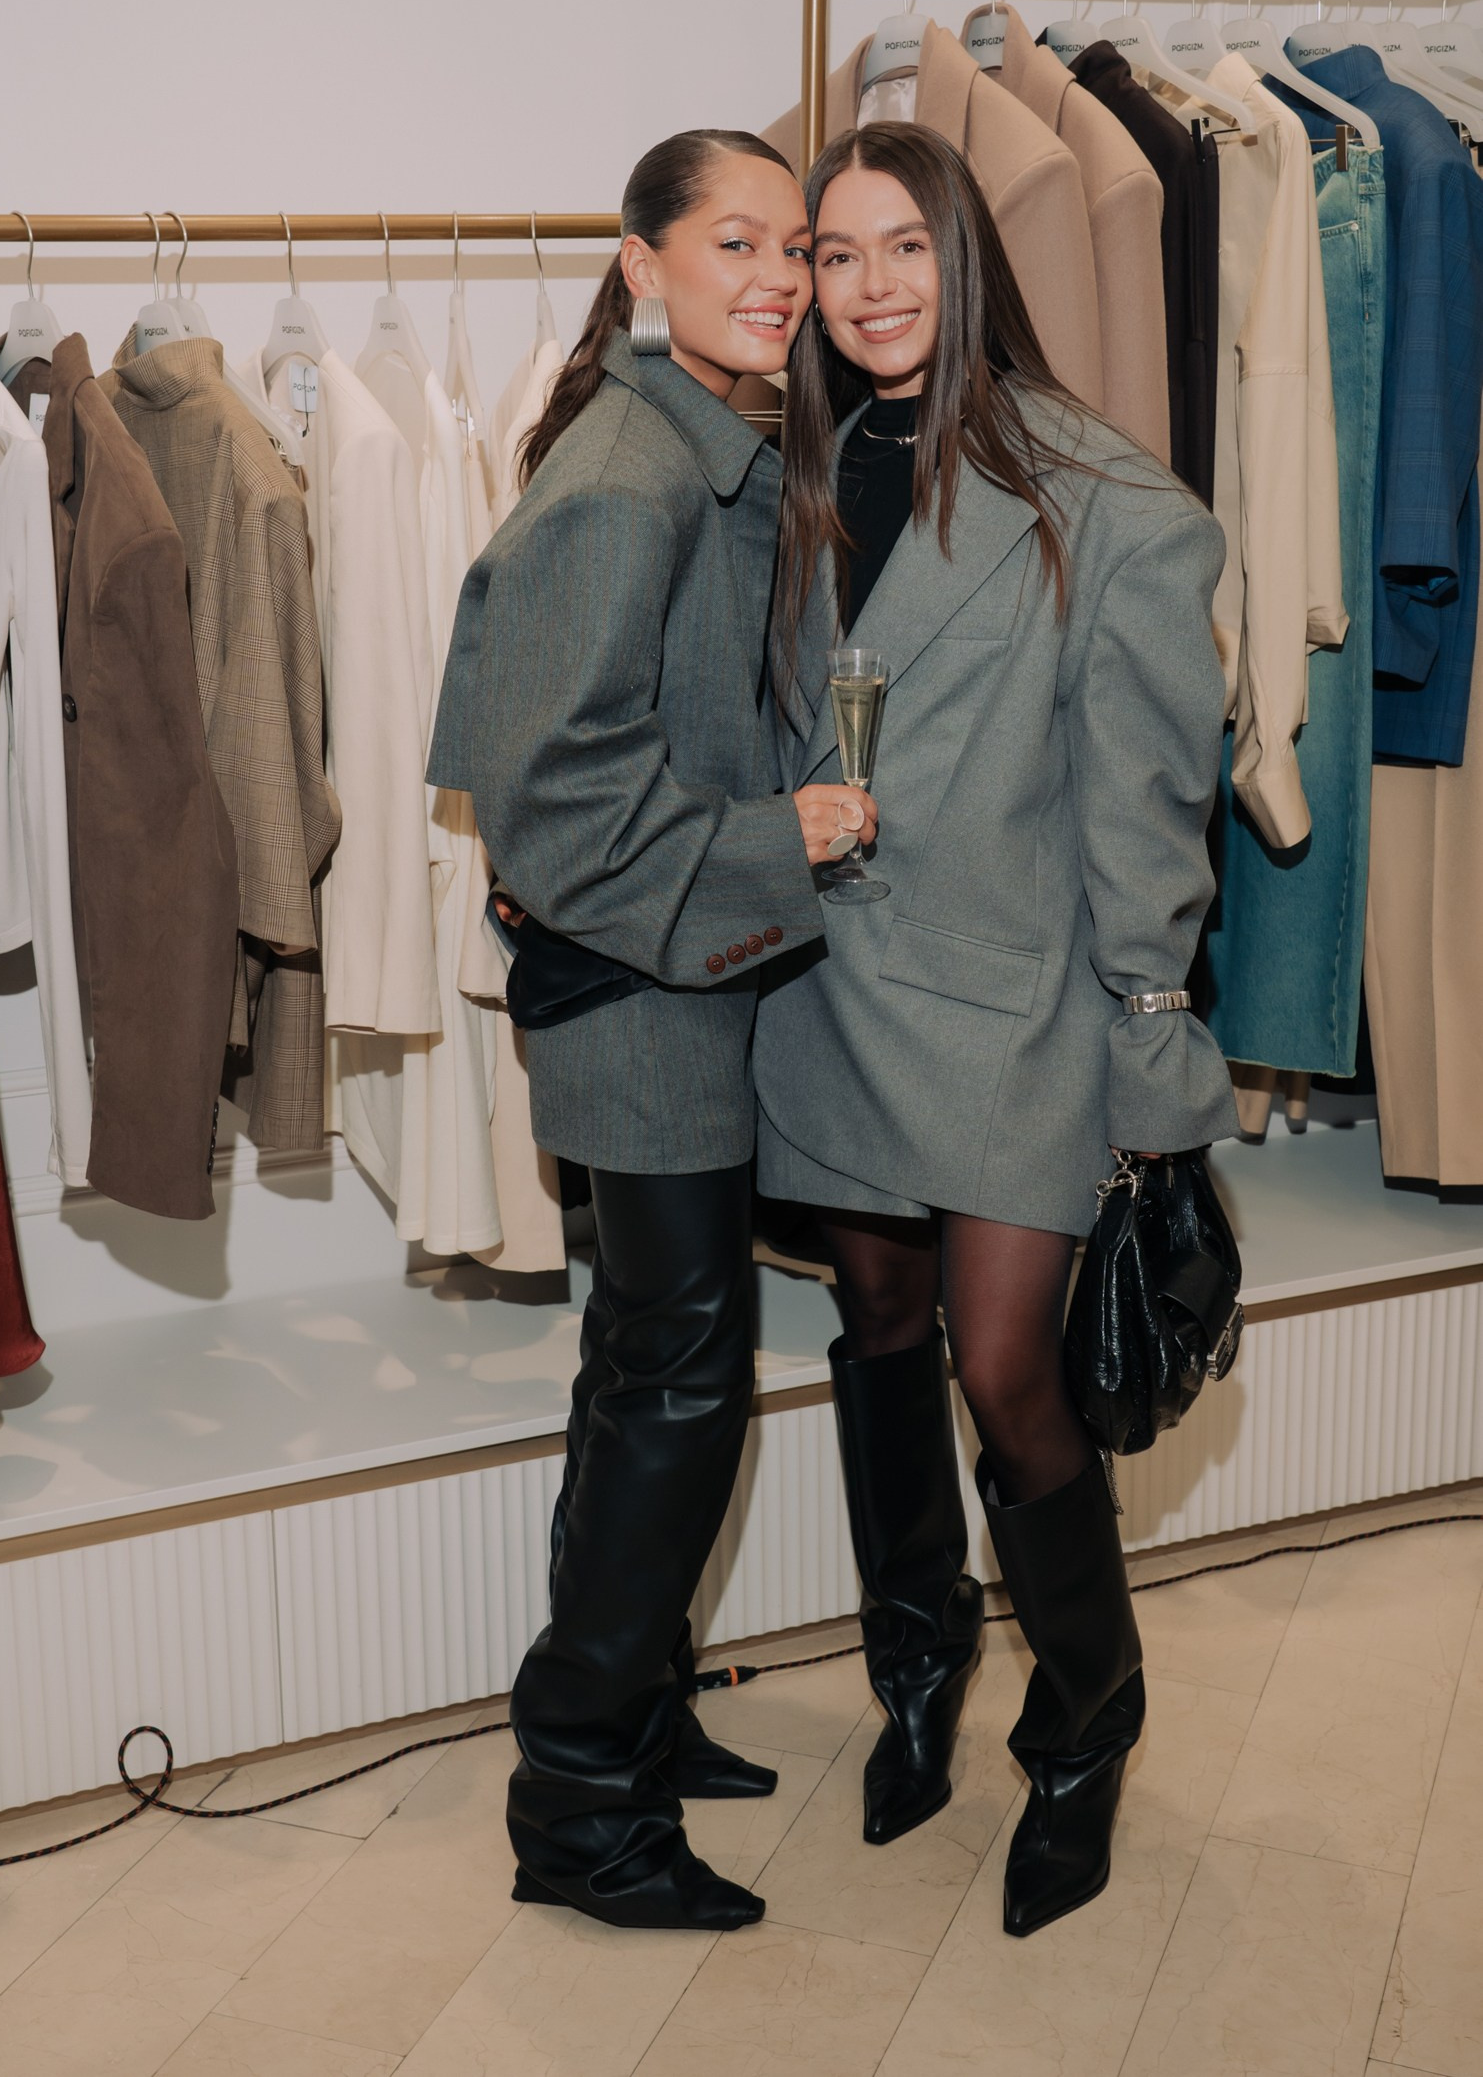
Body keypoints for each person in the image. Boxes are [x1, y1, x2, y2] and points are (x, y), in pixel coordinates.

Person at [756, 119, 1238, 1938]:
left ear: (966, 259)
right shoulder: (787, 468)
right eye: (837, 253)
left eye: (907, 248)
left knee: (1007, 1371)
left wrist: (1149, 1054)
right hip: (826, 993)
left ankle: (1088, 1724)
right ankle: (915, 1662)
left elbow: (1148, 812)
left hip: (1016, 1012)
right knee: (878, 1326)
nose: (871, 287)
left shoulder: (1108, 502)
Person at [428, 129, 870, 1933]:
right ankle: (581, 1808)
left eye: (796, 247)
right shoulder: (629, 479)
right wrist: (790, 834)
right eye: (735, 243)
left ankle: (632, 1718)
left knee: (646, 1373)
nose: (778, 279)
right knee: (682, 1387)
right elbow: (554, 803)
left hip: (672, 981)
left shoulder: (705, 450)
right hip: (643, 996)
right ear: (642, 263)